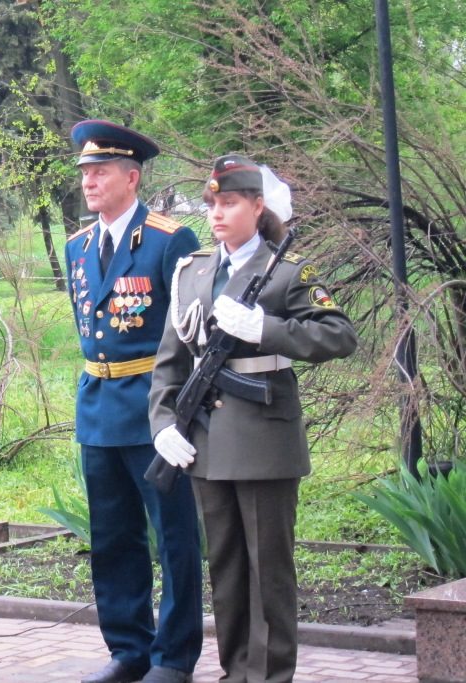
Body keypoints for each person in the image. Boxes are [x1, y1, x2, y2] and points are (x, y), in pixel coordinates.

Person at [149, 155, 358, 682]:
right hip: (205, 441)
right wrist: (163, 424)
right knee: (226, 569)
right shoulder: (192, 271)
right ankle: (235, 671)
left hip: (264, 440)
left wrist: (267, 328)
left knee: (268, 572)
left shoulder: (287, 271)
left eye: (229, 203)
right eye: (212, 204)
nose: (217, 214)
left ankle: (268, 676)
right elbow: (170, 361)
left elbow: (339, 336)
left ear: (257, 206)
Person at [64, 120, 203, 683]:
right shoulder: (77, 246)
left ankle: (173, 657)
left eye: (100, 172)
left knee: (173, 537)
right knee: (112, 537)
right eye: (85, 172)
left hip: (154, 409)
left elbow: (189, 334)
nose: (89, 181)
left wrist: (180, 411)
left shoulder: (170, 240)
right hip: (98, 406)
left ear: (131, 177)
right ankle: (129, 649)